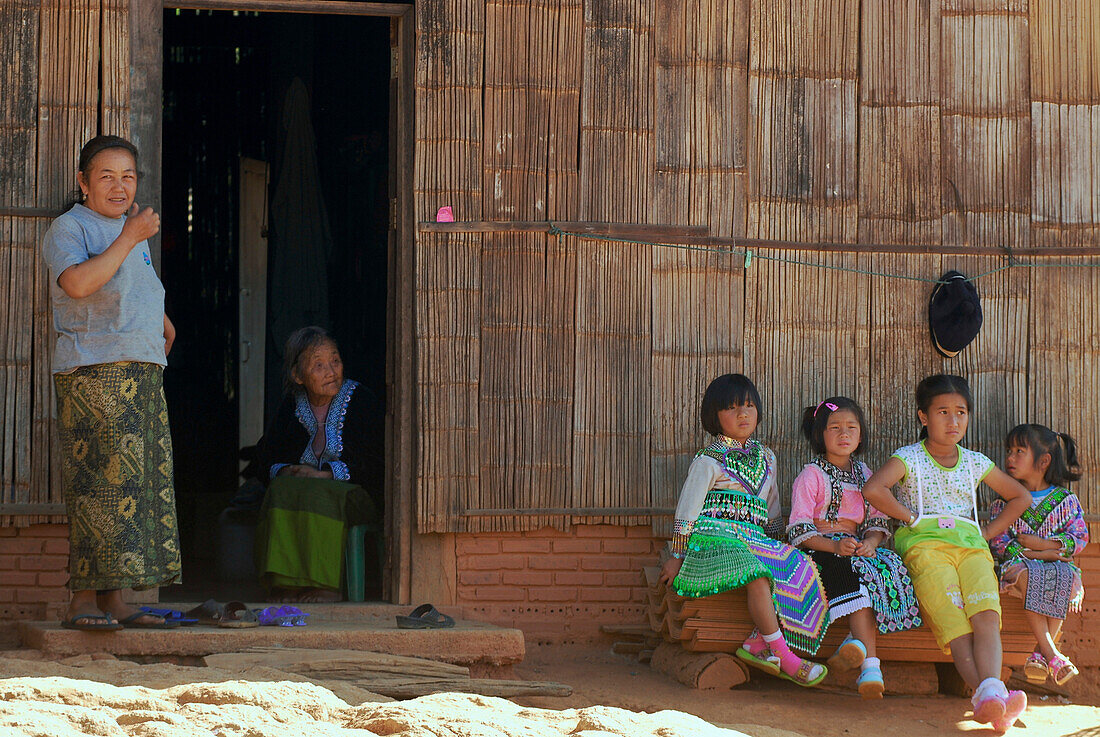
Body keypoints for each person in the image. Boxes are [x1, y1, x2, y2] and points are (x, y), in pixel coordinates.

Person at [42, 135, 181, 631]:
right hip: (93, 373)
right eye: (106, 176)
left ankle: (115, 600)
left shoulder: (129, 231)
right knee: (96, 487)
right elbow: (78, 284)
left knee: (133, 489)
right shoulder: (70, 228)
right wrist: (129, 237)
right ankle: (82, 601)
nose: (120, 186)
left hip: (139, 372)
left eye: (128, 176)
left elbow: (132, 289)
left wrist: (163, 324)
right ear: (83, 182)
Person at [861, 375, 1031, 731]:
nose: (953, 421)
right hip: (926, 550)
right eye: (943, 412)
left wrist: (985, 532)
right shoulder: (909, 458)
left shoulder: (974, 461)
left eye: (961, 412)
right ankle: (989, 697)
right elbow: (874, 488)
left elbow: (1021, 497)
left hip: (972, 550)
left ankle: (992, 696)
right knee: (957, 627)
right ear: (923, 417)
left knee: (986, 615)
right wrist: (911, 517)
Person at [659, 374, 830, 687]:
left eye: (749, 406)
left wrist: (781, 544)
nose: (743, 414)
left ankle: (757, 643)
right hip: (715, 538)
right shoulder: (708, 460)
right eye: (732, 408)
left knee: (799, 566)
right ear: (714, 416)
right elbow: (688, 509)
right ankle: (785, 657)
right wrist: (677, 555)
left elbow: (773, 504)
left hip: (754, 537)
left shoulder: (767, 457)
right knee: (755, 570)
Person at [788, 397, 922, 698]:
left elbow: (877, 518)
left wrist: (872, 543)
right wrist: (834, 546)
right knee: (854, 579)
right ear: (819, 434)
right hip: (818, 546)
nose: (844, 433)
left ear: (861, 435)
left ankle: (854, 643)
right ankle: (871, 667)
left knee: (889, 566)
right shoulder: (811, 475)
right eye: (834, 427)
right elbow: (798, 528)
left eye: (851, 427)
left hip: (854, 545)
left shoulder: (863, 472)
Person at [253, 326, 383, 602]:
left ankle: (326, 585)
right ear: (297, 375)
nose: (331, 371)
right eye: (319, 365)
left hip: (357, 497)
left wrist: (322, 476)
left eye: (335, 361)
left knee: (316, 492)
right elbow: (265, 456)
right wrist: (286, 470)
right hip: (307, 494)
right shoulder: (291, 406)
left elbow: (375, 461)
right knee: (281, 490)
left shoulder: (361, 400)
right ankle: (287, 583)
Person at [988, 424, 1089, 686]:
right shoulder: (1003, 500)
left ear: (1044, 461)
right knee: (1032, 575)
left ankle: (1040, 654)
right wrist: (1033, 553)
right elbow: (999, 542)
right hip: (1018, 569)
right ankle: (1052, 653)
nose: (1010, 458)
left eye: (1019, 451)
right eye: (1009, 451)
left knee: (1066, 577)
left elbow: (1080, 537)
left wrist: (1042, 547)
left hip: (1057, 566)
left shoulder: (1066, 500)